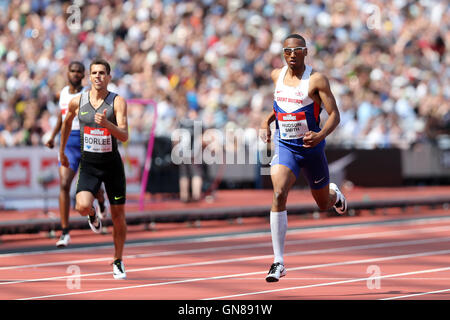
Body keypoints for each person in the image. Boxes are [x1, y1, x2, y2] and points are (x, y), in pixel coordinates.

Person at [260, 34, 348, 282]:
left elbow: (335, 116)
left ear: (305, 52)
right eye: (287, 50)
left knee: (322, 203)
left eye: (296, 50)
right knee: (278, 193)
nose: (291, 54)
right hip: (286, 146)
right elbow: (281, 107)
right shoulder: (276, 76)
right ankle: (278, 261)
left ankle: (335, 194)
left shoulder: (316, 80)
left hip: (311, 150)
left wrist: (319, 136)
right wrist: (266, 121)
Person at [59, 58, 129, 280]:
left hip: (112, 166)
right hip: (89, 165)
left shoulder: (117, 102)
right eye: (94, 73)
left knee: (119, 216)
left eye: (102, 73)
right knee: (80, 206)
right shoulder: (77, 101)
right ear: (89, 77)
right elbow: (67, 123)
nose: (98, 76)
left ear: (108, 77)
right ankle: (93, 215)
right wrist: (61, 151)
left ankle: (118, 261)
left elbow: (125, 136)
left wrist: (108, 125)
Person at [45, 61, 108, 248]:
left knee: (94, 189)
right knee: (64, 184)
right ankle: (65, 232)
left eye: (79, 72)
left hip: (86, 140)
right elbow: (61, 117)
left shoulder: (89, 94)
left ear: (83, 75)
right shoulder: (63, 93)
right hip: (68, 144)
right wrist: (52, 136)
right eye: (72, 71)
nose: (75, 74)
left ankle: (102, 202)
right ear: (67, 73)